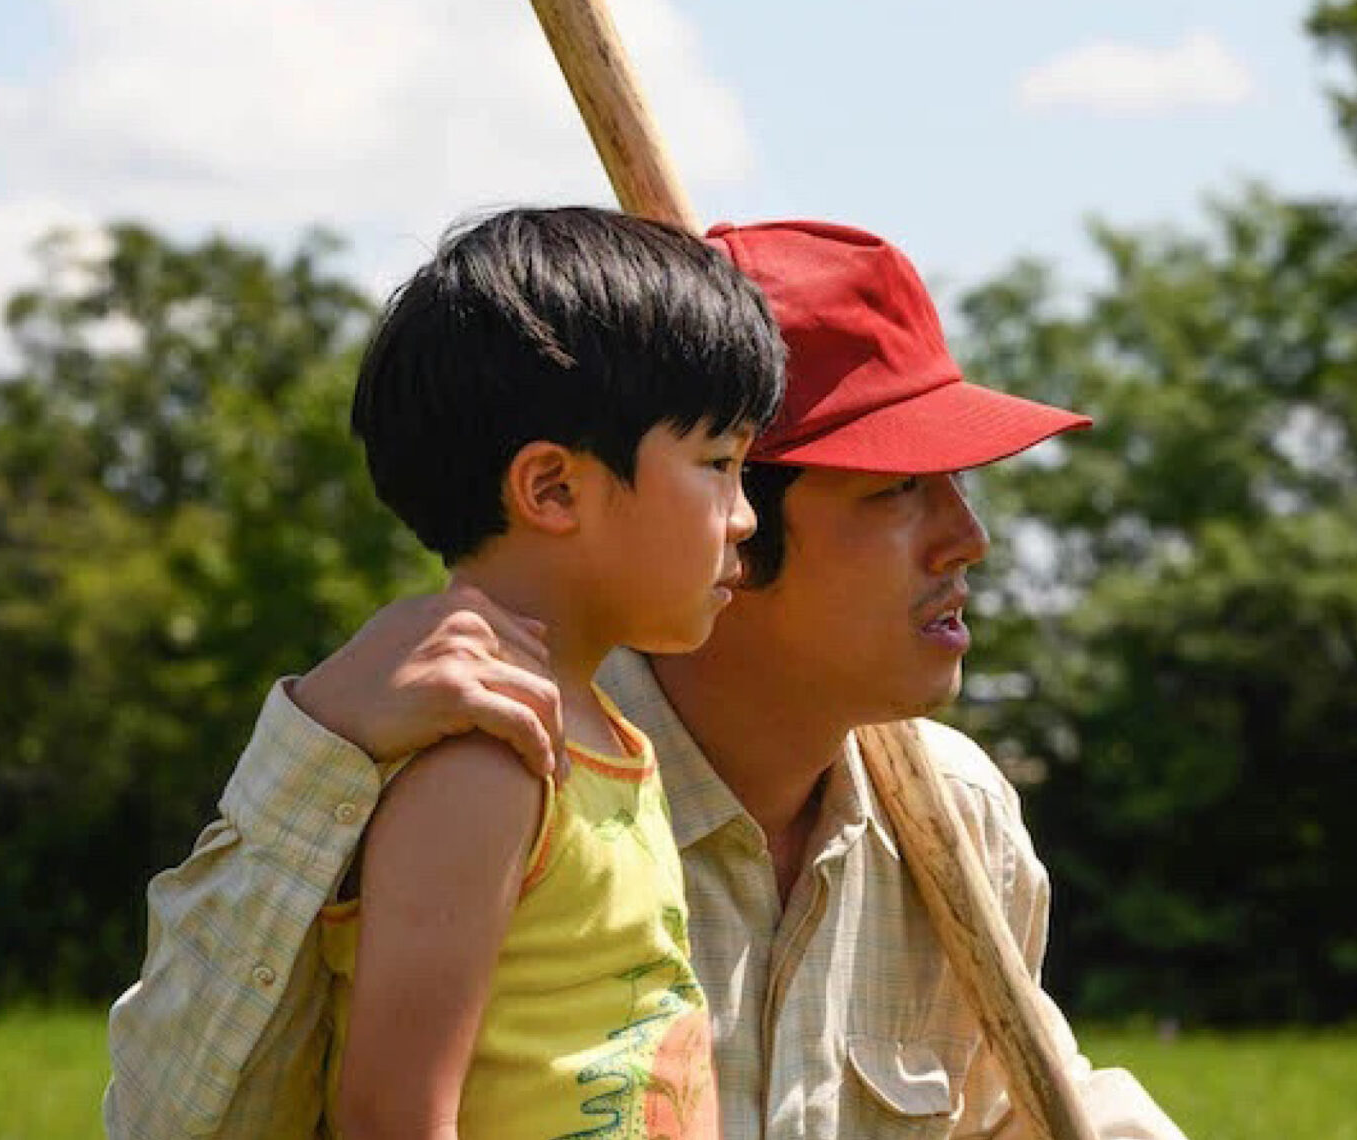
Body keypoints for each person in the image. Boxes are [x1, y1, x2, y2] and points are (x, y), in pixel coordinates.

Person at [104, 218, 1187, 1140]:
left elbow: (1029, 1109)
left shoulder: (956, 816)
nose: (969, 538)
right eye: (896, 489)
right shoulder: (479, 762)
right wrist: (317, 745)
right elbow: (178, 1122)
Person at [322, 205, 782, 1138]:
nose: (744, 517)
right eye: (718, 464)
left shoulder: (609, 740)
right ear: (553, 488)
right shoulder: (485, 762)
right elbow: (391, 1116)